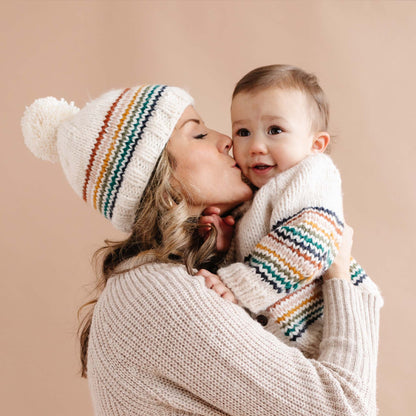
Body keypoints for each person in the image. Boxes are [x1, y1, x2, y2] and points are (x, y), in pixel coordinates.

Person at [22, 83, 382, 415]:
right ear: (159, 180)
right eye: (198, 133)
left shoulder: (166, 283)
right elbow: (345, 408)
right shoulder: (156, 294)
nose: (228, 140)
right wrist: (340, 274)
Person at [201, 65, 382, 359]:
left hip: (316, 328)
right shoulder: (255, 189)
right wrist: (226, 242)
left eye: (275, 130)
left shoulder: (313, 174)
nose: (256, 146)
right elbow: (257, 247)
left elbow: (308, 242)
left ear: (316, 145)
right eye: (243, 132)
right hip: (281, 335)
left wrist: (235, 286)